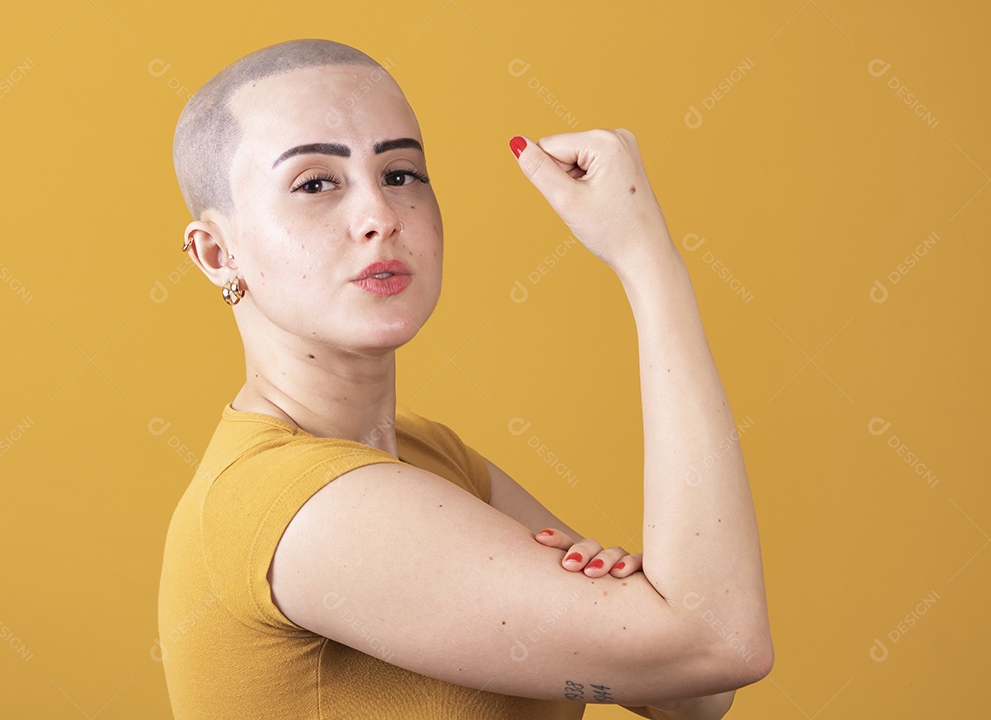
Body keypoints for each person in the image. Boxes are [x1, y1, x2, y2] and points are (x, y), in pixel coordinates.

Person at [157, 38, 772, 720]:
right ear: (217, 253)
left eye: (400, 174)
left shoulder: (428, 455)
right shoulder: (296, 505)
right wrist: (646, 260)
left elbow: (694, 695)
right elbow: (715, 644)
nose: (380, 218)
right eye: (315, 183)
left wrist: (648, 625)